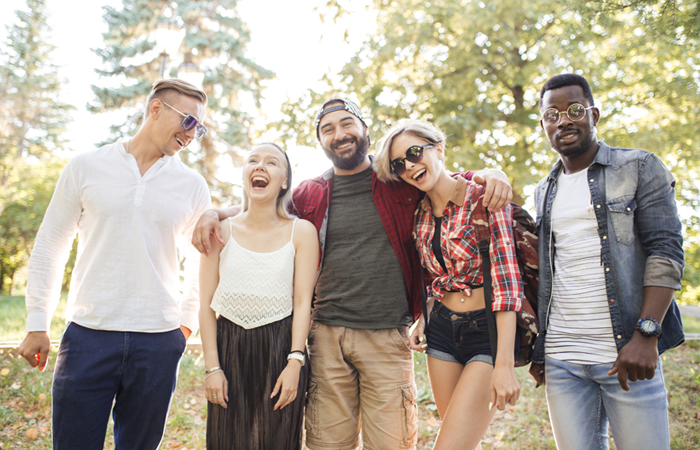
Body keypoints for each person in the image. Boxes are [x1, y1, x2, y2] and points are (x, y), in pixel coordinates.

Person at [192, 98, 513, 450]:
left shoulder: (399, 180)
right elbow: (266, 209)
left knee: (390, 444)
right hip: (327, 337)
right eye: (327, 129)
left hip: (387, 337)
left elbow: (441, 180)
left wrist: (487, 175)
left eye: (347, 123)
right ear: (322, 143)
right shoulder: (311, 193)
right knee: (328, 444)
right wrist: (216, 213)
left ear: (364, 130)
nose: (339, 134)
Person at [18, 79, 212, 450]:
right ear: (156, 110)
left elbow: (200, 262)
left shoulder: (192, 185)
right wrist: (37, 321)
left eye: (199, 128)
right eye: (189, 121)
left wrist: (185, 325)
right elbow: (50, 246)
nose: (193, 134)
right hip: (88, 335)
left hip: (158, 342)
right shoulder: (85, 167)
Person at [528, 73, 685, 450]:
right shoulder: (543, 190)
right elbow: (548, 272)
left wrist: (647, 334)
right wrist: (540, 349)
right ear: (543, 125)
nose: (563, 120)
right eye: (552, 115)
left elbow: (666, 251)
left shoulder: (640, 167)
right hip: (563, 361)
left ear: (594, 114)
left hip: (627, 355)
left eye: (574, 110)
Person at [374, 119, 522, 450]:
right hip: (441, 334)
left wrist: (504, 364)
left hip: (487, 332)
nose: (410, 165)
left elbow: (507, 282)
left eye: (414, 153)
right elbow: (432, 277)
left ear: (438, 148)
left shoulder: (483, 197)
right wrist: (424, 314)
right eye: (400, 164)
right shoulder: (419, 213)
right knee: (463, 441)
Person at [198, 143, 319, 449]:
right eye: (253, 160)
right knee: (228, 441)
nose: (260, 166)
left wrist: (295, 363)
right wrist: (213, 368)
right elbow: (205, 306)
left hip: (281, 349)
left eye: (271, 162)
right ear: (245, 175)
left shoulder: (302, 232)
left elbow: (303, 302)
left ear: (285, 181)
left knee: (277, 440)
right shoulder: (219, 231)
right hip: (228, 348)